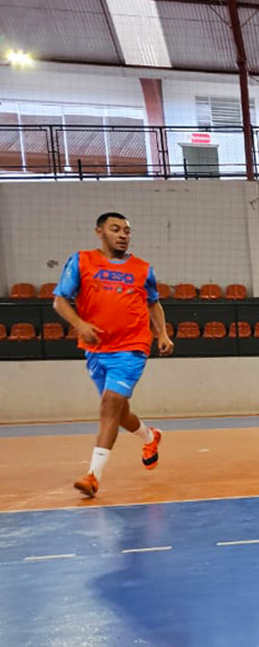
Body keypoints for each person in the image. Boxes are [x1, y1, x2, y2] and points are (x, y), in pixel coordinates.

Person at [52, 212, 173, 498]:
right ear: (99, 232)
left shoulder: (142, 268)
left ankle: (93, 476)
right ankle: (149, 435)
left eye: (127, 231)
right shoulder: (81, 262)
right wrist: (80, 324)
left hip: (131, 347)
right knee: (119, 414)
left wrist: (163, 334)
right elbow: (60, 301)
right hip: (96, 350)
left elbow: (153, 304)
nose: (122, 235)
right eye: (115, 229)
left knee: (109, 405)